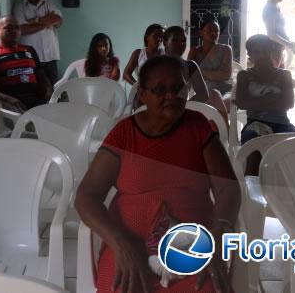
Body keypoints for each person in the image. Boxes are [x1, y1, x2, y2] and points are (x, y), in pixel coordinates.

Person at [75, 55, 240, 293]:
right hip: (129, 246)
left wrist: (217, 234)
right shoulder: (124, 134)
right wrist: (120, 245)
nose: (171, 96)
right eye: (160, 90)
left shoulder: (199, 126)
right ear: (142, 94)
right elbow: (86, 196)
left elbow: (228, 188)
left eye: (178, 88)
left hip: (191, 246)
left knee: (206, 288)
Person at [234, 35, 295, 174]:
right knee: (254, 148)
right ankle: (251, 189)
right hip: (255, 123)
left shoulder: (284, 74)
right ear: (250, 55)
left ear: (272, 51)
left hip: (282, 124)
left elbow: (289, 103)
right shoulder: (244, 75)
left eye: (266, 51)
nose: (262, 55)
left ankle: (291, 189)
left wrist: (255, 103)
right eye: (257, 52)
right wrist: (272, 99)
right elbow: (242, 103)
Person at [0, 16, 52, 112]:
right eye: (9, 28)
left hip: (37, 101)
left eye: (17, 28)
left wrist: (48, 87)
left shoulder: (30, 50)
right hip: (11, 105)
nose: (14, 31)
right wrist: (6, 98)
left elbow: (41, 74)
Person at [12, 0, 63, 86]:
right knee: (35, 89)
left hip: (50, 57)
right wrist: (46, 23)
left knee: (54, 89)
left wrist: (35, 20)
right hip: (30, 59)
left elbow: (58, 21)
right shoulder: (19, 6)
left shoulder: (48, 3)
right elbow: (22, 30)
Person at [187, 17, 233, 95]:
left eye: (216, 31)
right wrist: (214, 74)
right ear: (201, 33)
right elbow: (189, 74)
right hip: (200, 89)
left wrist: (199, 73)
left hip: (222, 89)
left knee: (212, 91)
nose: (213, 33)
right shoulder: (194, 51)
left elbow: (225, 75)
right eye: (209, 30)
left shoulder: (226, 49)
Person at [261, 0, 295, 66]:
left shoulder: (275, 6)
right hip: (274, 47)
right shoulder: (270, 9)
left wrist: (287, 43)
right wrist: (288, 44)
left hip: (279, 46)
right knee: (277, 74)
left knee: (281, 72)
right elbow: (271, 35)